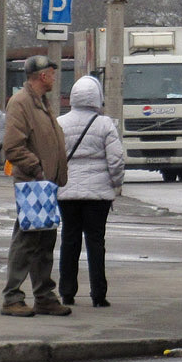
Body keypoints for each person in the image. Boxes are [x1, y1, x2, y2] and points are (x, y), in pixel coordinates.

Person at [0, 54, 71, 317]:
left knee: (44, 241)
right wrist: (38, 168)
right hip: (33, 182)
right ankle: (12, 298)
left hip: (45, 183)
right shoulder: (21, 103)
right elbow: (13, 147)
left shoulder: (41, 102)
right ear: (42, 76)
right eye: (52, 73)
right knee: (26, 240)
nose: (54, 77)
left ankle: (44, 296)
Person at [57, 75, 124, 308]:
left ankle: (66, 292)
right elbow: (116, 160)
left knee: (69, 240)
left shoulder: (60, 123)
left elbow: (54, 157)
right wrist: (115, 183)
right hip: (98, 194)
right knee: (96, 242)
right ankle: (98, 294)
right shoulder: (105, 124)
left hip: (67, 191)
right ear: (97, 97)